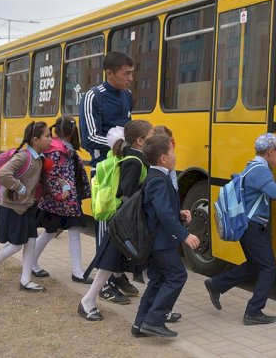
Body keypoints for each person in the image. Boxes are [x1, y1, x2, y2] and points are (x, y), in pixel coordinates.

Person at [203, 133, 276, 325]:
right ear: (271, 151)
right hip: (252, 226)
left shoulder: (252, 167)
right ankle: (253, 311)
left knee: (256, 264)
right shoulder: (261, 171)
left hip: (249, 226)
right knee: (269, 267)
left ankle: (217, 284)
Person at [78, 52, 139, 299]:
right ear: (110, 73)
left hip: (124, 167)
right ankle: (104, 283)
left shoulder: (127, 96)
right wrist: (123, 146)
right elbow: (89, 137)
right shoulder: (92, 97)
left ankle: (116, 274)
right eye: (126, 73)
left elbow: (129, 127)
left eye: (132, 73)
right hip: (103, 169)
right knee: (104, 225)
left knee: (124, 222)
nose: (131, 78)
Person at [79, 120, 153, 320]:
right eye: (151, 136)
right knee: (110, 264)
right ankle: (87, 301)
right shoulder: (134, 161)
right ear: (139, 141)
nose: (154, 139)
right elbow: (126, 193)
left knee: (141, 263)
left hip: (126, 222)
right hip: (126, 223)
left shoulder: (136, 158)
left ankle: (157, 307)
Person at [131, 135, 200, 338]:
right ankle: (154, 320)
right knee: (178, 275)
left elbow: (158, 209)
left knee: (158, 280)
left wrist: (178, 214)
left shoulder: (156, 177)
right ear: (163, 158)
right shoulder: (158, 180)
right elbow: (162, 212)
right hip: (161, 242)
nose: (175, 155)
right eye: (172, 152)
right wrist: (184, 235)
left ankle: (140, 324)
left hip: (157, 240)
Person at [0, 121, 52, 292]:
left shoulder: (38, 157)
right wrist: (19, 187)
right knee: (16, 245)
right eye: (47, 136)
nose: (50, 140)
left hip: (26, 207)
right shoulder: (23, 156)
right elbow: (3, 174)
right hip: (12, 207)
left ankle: (25, 280)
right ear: (35, 140)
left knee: (31, 242)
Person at [31, 116, 93, 284]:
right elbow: (53, 175)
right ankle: (76, 271)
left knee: (54, 232)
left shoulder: (60, 148)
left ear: (57, 131)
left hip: (62, 200)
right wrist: (60, 193)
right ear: (73, 132)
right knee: (61, 232)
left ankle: (75, 271)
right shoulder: (59, 150)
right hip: (63, 200)